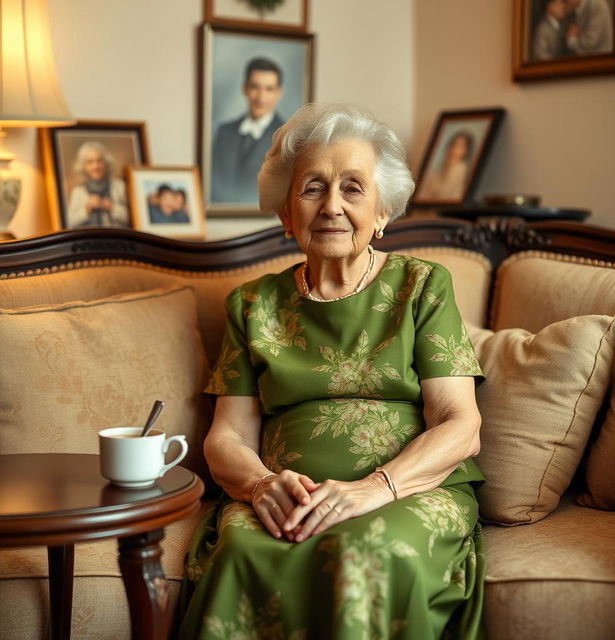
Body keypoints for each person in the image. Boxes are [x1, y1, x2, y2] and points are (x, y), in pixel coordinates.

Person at [178, 104, 486, 639]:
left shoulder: (422, 287)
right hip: (285, 498)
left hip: (405, 492)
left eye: (352, 188)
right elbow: (227, 434)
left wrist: (374, 488)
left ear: (383, 213)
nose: (331, 206)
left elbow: (462, 425)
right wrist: (259, 486)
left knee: (363, 549)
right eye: (312, 188)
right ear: (285, 214)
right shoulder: (251, 305)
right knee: (245, 551)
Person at [210, 57, 285, 204]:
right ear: (245, 88)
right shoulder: (224, 132)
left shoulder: (288, 136)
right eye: (255, 87)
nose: (261, 97)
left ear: (278, 93)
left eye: (269, 89)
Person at [67, 141, 129, 228]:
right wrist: (87, 209)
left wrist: (112, 207)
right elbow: (70, 222)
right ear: (83, 166)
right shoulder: (78, 191)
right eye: (90, 162)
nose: (95, 166)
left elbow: (135, 218)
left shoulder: (120, 186)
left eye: (99, 161)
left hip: (118, 239)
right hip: (89, 239)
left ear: (106, 162)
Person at [418, 130, 474, 202]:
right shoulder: (437, 171)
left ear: (466, 151)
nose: (454, 150)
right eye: (453, 144)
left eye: (459, 146)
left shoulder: (462, 172)